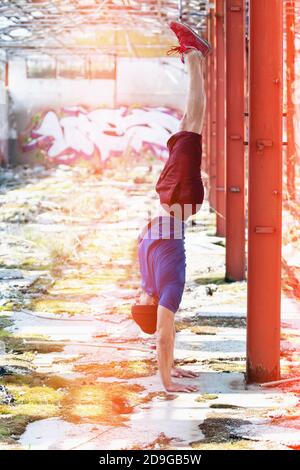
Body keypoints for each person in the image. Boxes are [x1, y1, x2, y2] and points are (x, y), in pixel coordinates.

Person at [131, 21, 211, 393]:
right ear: (151, 304)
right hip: (180, 199)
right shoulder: (169, 289)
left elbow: (164, 336)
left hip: (169, 196)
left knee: (183, 129)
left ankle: (195, 56)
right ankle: (195, 55)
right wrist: (167, 385)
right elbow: (164, 334)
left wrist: (172, 369)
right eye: (139, 301)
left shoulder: (150, 281)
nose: (137, 295)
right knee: (192, 125)